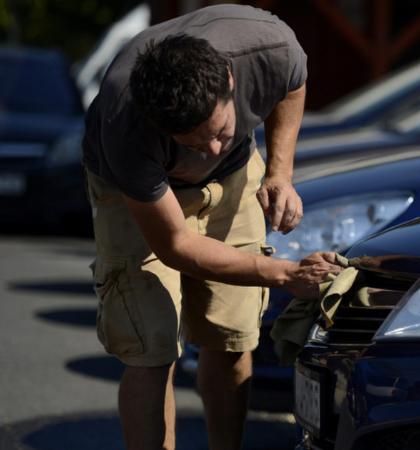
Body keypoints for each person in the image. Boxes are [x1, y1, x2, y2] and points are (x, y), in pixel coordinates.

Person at [81, 5, 341, 450]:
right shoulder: (125, 121)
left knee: (232, 336)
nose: (213, 147)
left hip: (236, 181)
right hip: (138, 199)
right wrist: (287, 274)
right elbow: (176, 245)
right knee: (152, 347)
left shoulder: (272, 47)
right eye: (195, 143)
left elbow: (293, 84)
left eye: (219, 129)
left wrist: (279, 172)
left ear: (230, 80)